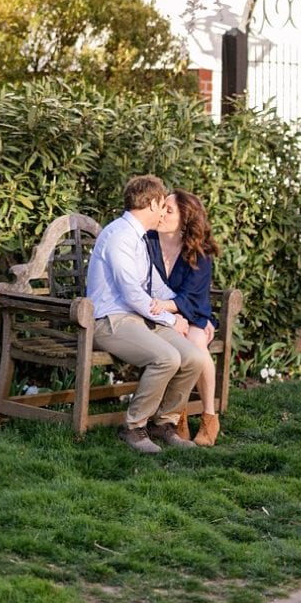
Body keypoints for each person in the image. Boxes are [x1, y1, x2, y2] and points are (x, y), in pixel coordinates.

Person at [81, 174, 210, 454]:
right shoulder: (119, 237)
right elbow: (132, 293)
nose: (164, 211)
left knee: (193, 357)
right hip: (110, 321)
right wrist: (169, 319)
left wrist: (180, 312)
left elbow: (156, 287)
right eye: (163, 205)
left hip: (139, 318)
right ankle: (133, 426)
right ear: (152, 203)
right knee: (166, 358)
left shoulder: (139, 238)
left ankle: (164, 423)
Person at [146, 189, 222, 447]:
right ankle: (179, 413)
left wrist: (164, 307)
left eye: (169, 209)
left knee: (196, 343)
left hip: (192, 312)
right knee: (184, 343)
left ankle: (209, 416)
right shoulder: (148, 241)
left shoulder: (199, 252)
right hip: (159, 316)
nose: (161, 212)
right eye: (161, 206)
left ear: (185, 219)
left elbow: (192, 298)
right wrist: (165, 315)